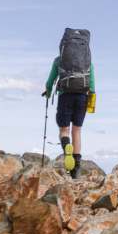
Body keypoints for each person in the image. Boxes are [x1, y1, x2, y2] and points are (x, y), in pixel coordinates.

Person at [42, 28, 95, 179]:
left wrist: (48, 92)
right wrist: (91, 100)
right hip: (82, 97)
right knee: (77, 130)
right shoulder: (88, 63)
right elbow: (92, 85)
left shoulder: (59, 60)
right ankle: (75, 169)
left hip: (65, 96)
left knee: (64, 130)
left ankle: (67, 148)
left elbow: (50, 81)